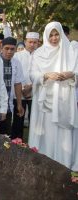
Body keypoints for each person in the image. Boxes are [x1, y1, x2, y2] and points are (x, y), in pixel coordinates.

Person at [28, 21, 78, 169]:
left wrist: (71, 74)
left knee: (63, 131)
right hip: (44, 102)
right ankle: (45, 161)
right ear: (46, 36)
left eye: (57, 34)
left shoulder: (70, 51)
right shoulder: (38, 53)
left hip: (64, 100)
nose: (54, 38)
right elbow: (32, 75)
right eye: (51, 36)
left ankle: (65, 162)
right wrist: (46, 75)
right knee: (46, 131)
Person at [12, 32, 39, 139]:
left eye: (35, 42)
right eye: (30, 42)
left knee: (35, 121)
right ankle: (16, 144)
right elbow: (15, 73)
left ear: (38, 43)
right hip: (19, 93)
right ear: (25, 42)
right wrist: (23, 88)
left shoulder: (41, 56)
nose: (32, 44)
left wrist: (31, 86)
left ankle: (34, 144)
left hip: (35, 92)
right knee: (18, 121)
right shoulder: (17, 56)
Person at [0, 37, 25, 135]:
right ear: (1, 48)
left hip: (8, 106)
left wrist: (19, 104)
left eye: (12, 49)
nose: (9, 51)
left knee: (6, 135)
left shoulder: (17, 63)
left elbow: (17, 84)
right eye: (7, 48)